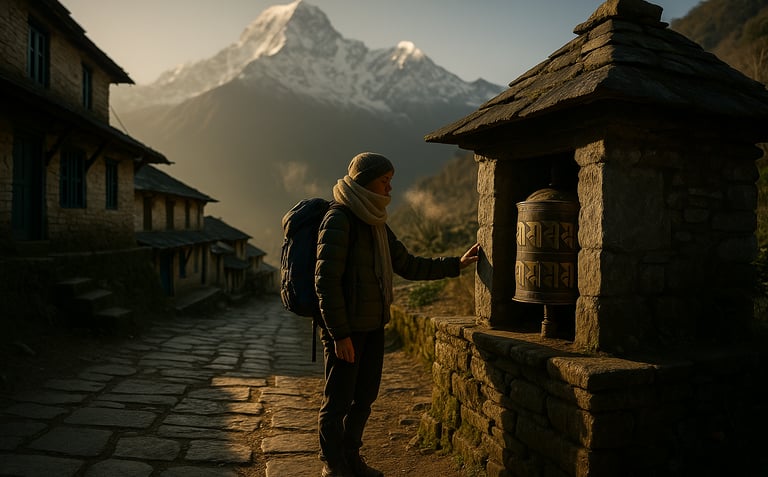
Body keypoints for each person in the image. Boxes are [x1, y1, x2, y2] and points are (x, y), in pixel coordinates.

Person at [314, 152, 480, 477]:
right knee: (337, 402)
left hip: (373, 326)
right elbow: (326, 283)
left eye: (390, 182)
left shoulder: (376, 223)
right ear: (365, 182)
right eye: (384, 181)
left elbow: (406, 264)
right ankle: (333, 466)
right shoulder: (339, 220)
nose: (390, 189)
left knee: (363, 399)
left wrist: (455, 265)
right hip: (346, 331)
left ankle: (352, 459)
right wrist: (339, 334)